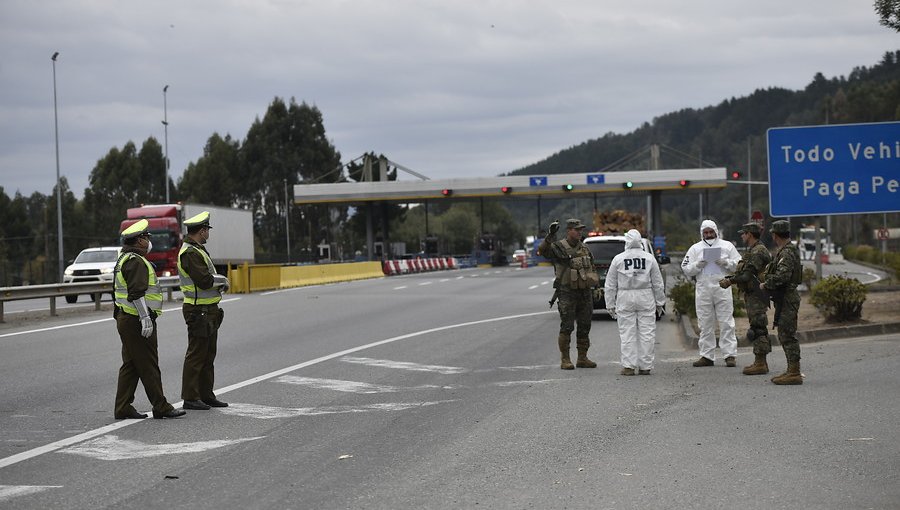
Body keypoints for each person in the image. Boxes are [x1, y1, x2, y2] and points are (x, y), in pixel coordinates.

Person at [113, 219, 185, 420]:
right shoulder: (136, 261)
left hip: (126, 318)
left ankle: (123, 407)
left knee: (131, 365)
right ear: (138, 241)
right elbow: (136, 293)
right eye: (145, 237)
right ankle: (161, 406)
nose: (148, 240)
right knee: (148, 364)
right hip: (136, 320)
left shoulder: (124, 259)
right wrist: (145, 317)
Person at [179, 211, 230, 410]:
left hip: (207, 309)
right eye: (207, 230)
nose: (208, 233)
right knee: (196, 355)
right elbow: (204, 280)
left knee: (208, 354)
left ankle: (206, 394)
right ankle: (191, 397)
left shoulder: (197, 249)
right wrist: (223, 280)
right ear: (201, 231)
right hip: (197, 310)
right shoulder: (190, 253)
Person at [537, 218, 599, 370]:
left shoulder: (585, 248)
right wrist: (550, 235)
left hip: (584, 293)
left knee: (585, 326)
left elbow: (591, 268)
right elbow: (543, 251)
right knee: (567, 327)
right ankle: (565, 359)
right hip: (567, 293)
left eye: (581, 229)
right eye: (576, 229)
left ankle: (582, 358)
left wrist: (595, 288)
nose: (579, 232)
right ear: (569, 230)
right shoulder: (558, 247)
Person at [604, 229, 666, 376]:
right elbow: (658, 283)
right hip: (645, 296)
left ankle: (629, 366)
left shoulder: (618, 259)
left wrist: (610, 304)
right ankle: (645, 366)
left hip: (625, 296)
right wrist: (660, 302)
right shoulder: (649, 258)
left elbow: (610, 284)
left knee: (627, 333)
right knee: (647, 333)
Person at [681, 220, 742, 367]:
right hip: (703, 289)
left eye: (710, 232)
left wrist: (726, 262)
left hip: (722, 287)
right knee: (705, 323)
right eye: (706, 232)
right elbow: (686, 267)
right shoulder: (695, 249)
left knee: (726, 321)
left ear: (716, 231)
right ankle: (707, 355)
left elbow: (739, 264)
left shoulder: (727, 246)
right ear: (702, 233)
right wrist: (698, 265)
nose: (708, 235)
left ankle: (730, 355)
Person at [719, 223, 772, 376]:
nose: (742, 236)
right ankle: (760, 361)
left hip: (757, 293)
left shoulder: (758, 251)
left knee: (758, 327)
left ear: (749, 234)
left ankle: (761, 363)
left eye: (744, 233)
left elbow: (748, 275)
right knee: (756, 326)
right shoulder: (753, 250)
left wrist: (730, 281)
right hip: (752, 293)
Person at [761, 219, 804, 385]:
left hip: (788, 298)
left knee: (787, 335)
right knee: (785, 334)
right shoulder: (787, 250)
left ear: (774, 235)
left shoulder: (786, 253)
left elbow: (783, 277)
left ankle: (794, 372)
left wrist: (766, 284)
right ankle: (791, 370)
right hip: (785, 298)